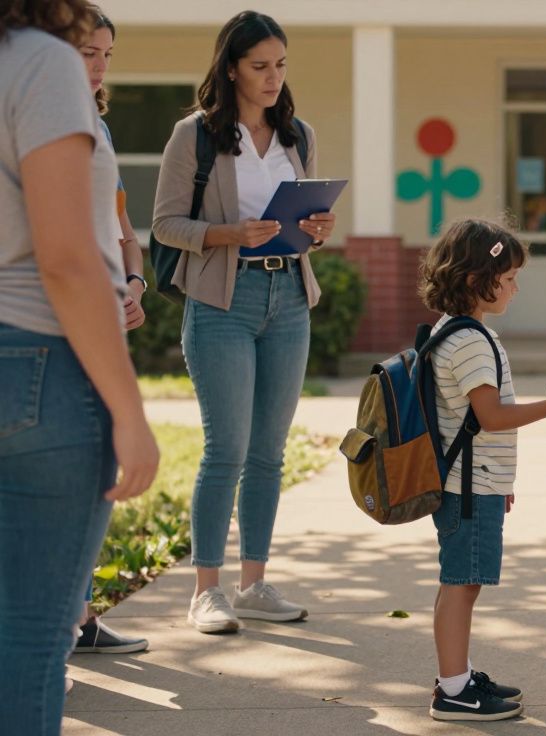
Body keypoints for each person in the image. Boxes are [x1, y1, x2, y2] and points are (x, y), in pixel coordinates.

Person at [0, 0, 160, 731]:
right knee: (32, 641)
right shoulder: (41, 62)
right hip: (40, 364)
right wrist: (129, 412)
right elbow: (65, 259)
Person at [152, 10, 336, 634]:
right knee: (225, 449)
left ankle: (253, 584)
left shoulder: (298, 135)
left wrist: (317, 229)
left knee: (268, 453)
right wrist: (229, 233)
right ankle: (206, 592)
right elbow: (165, 224)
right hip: (221, 303)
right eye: (260, 66)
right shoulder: (195, 136)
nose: (273, 77)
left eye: (280, 65)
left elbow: (306, 224)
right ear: (231, 68)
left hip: (290, 298)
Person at [417, 218, 546, 721]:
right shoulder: (472, 341)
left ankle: (457, 677)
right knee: (461, 584)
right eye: (510, 278)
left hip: (472, 484)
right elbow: (491, 417)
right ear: (477, 279)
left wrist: (500, 483)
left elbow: (471, 422)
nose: (517, 288)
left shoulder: (451, 330)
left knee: (458, 580)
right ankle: (453, 692)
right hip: (469, 487)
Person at [71, 3, 150, 657]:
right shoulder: (43, 120)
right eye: (86, 52)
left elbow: (124, 230)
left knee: (93, 476)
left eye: (106, 55)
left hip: (107, 313)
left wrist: (135, 283)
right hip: (64, 323)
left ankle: (78, 615)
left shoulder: (97, 126)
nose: (98, 66)